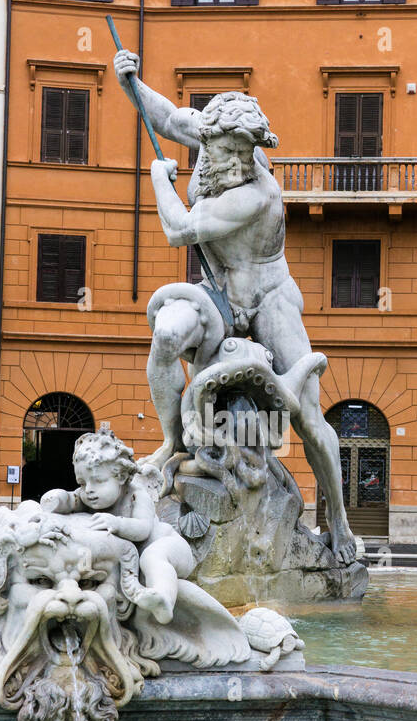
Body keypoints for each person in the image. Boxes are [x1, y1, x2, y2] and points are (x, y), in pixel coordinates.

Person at [112, 48, 357, 567]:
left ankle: (337, 520)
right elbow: (163, 115)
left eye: (238, 157)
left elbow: (179, 230)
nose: (229, 164)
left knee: (309, 414)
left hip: (268, 299)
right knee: (167, 336)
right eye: (222, 153)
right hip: (216, 295)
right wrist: (131, 81)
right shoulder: (207, 139)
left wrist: (159, 179)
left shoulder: (256, 193)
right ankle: (171, 443)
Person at [40, 424, 194, 624]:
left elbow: (143, 529)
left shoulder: (137, 496)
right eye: (82, 483)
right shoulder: (89, 497)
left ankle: (163, 599)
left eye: (98, 481)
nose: (89, 490)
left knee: (151, 557)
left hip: (171, 547)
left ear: (120, 476)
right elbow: (71, 500)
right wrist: (57, 498)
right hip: (136, 559)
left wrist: (117, 523)